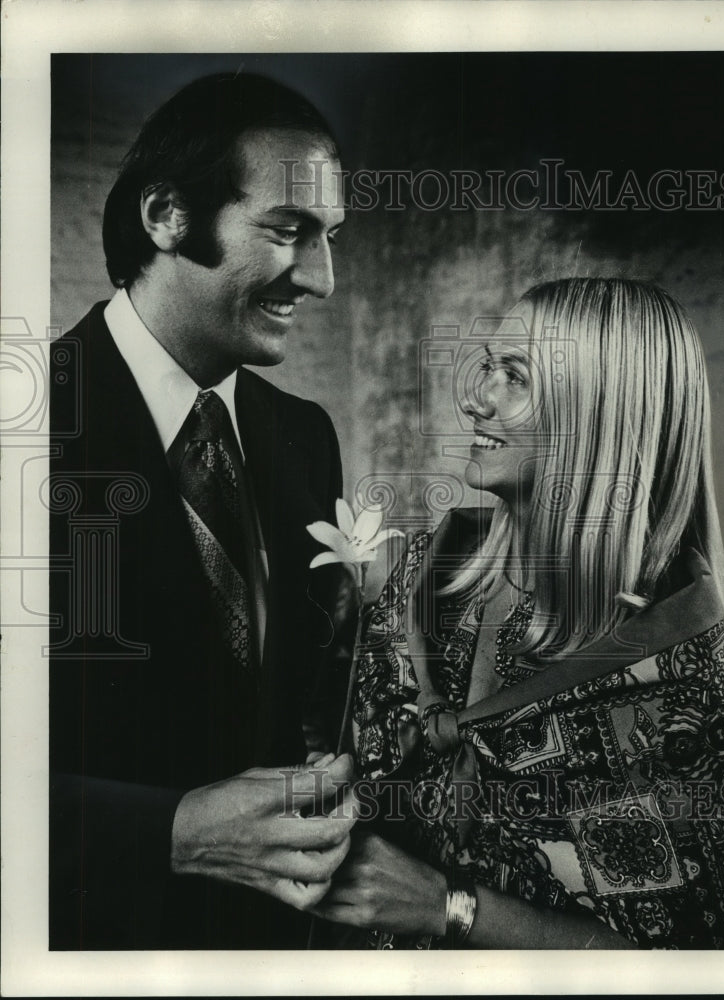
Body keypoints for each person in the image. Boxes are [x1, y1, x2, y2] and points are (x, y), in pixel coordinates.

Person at [310, 278, 724, 949]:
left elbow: (680, 963)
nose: (475, 397)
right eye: (486, 366)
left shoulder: (670, 673)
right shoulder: (427, 573)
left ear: (601, 413)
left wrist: (449, 907)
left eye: (514, 376)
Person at [48, 72, 357, 949]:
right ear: (166, 215)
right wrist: (172, 832)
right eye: (290, 231)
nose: (323, 279)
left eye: (329, 237)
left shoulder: (303, 436)